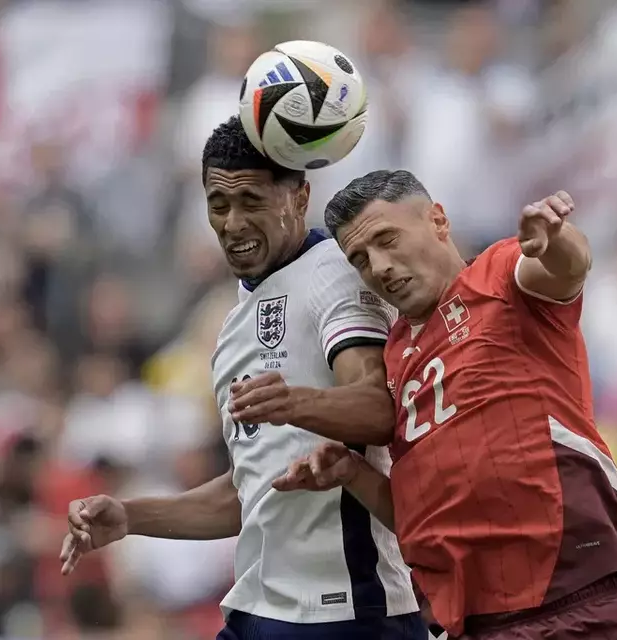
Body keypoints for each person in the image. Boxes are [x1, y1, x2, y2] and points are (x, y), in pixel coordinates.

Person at [236, 170, 617, 639]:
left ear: (438, 220)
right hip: (470, 621)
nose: (378, 266)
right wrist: (353, 475)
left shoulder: (497, 277)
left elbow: (567, 268)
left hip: (572, 598)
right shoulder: (395, 355)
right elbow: (423, 521)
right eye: (360, 258)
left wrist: (555, 238)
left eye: (387, 238)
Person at [58, 120, 428, 640]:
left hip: (345, 612)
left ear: (299, 198)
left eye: (251, 201)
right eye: (218, 204)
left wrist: (294, 403)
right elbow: (251, 491)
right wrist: (130, 516)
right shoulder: (234, 322)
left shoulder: (333, 273)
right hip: (261, 608)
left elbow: (378, 406)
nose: (232, 223)